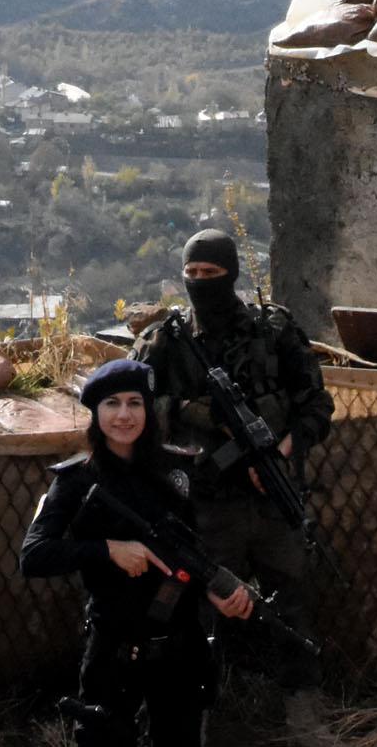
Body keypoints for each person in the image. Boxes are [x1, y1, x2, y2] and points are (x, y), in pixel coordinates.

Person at [134, 230, 332, 710]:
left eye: (212, 274)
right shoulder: (164, 339)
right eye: (192, 274)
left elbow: (318, 406)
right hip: (203, 505)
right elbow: (130, 408)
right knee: (199, 614)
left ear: (232, 275)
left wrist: (282, 450)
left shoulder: (275, 331)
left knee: (293, 603)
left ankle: (302, 706)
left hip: (270, 501)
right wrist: (195, 412)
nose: (201, 282)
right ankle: (195, 713)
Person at [20, 359, 251, 747]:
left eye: (134, 403)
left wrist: (212, 589)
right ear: (96, 413)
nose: (124, 415)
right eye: (112, 404)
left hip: (179, 649)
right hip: (114, 649)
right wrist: (108, 550)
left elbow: (189, 552)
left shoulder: (176, 471)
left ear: (148, 409)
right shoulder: (76, 481)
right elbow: (33, 555)